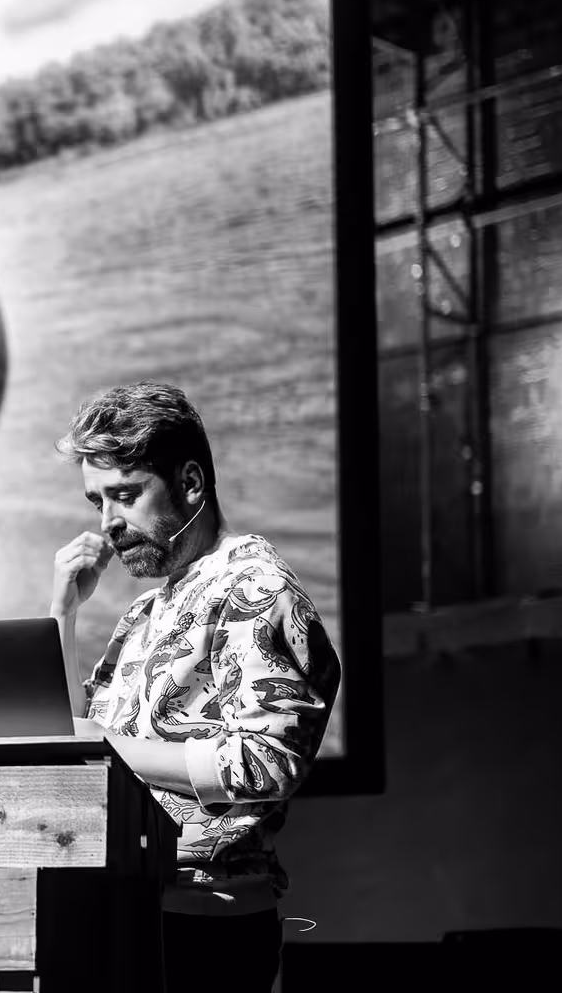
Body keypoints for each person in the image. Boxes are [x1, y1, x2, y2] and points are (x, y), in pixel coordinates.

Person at [49, 381, 341, 993]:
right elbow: (69, 736)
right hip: (131, 912)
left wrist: (107, 747)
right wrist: (63, 616)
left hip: (208, 925)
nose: (109, 525)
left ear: (189, 484)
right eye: (96, 502)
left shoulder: (255, 588)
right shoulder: (147, 612)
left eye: (125, 496)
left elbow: (269, 761)